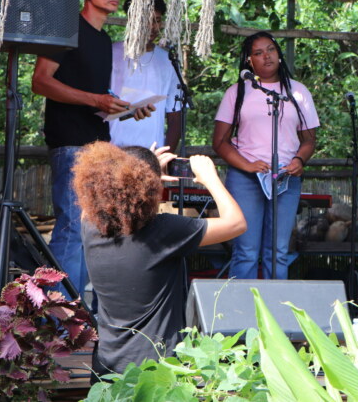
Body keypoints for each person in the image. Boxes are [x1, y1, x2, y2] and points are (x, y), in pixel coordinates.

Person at [74, 142, 245, 379]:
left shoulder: (90, 227)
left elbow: (100, 197)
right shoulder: (163, 231)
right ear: (151, 188)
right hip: (156, 371)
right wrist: (210, 179)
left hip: (106, 369)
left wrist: (142, 170)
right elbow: (236, 223)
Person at [31, 0, 151, 300]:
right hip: (69, 143)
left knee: (90, 228)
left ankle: (75, 312)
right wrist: (95, 99)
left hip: (97, 144)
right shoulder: (67, 28)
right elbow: (40, 81)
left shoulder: (102, 40)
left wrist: (126, 109)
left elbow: (95, 98)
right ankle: (54, 316)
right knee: (71, 228)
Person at [212, 31, 319, 280]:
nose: (266, 56)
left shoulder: (298, 92)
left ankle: (274, 313)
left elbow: (309, 140)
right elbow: (219, 142)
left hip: (285, 177)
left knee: (278, 251)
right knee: (246, 251)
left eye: (270, 49)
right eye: (258, 53)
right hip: (246, 178)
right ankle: (241, 313)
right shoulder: (237, 92)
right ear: (249, 61)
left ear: (279, 54)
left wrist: (299, 160)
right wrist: (247, 166)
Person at [109, 0, 183, 150]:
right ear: (131, 20)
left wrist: (164, 155)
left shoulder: (169, 60)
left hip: (152, 153)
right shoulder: (111, 53)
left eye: (157, 20)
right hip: (112, 151)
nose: (152, 27)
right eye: (145, 21)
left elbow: (175, 117)